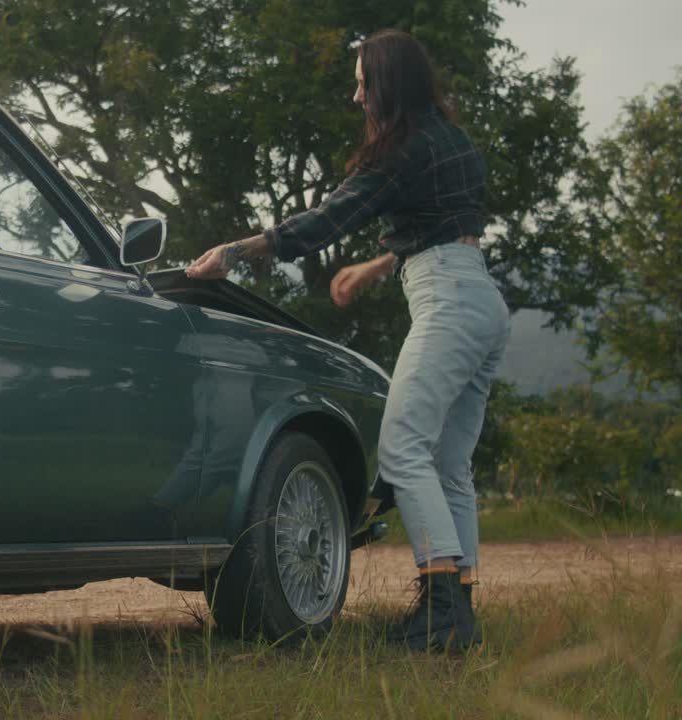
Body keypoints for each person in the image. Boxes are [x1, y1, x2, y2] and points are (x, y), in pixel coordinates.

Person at [185, 28, 510, 652]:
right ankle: (458, 610)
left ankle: (442, 612)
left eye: (362, 82)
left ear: (386, 83)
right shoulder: (454, 141)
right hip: (480, 299)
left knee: (402, 451)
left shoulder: (400, 153)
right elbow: (445, 228)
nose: (356, 94)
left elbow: (322, 223)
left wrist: (235, 250)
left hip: (447, 301)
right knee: (449, 466)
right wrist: (378, 264)